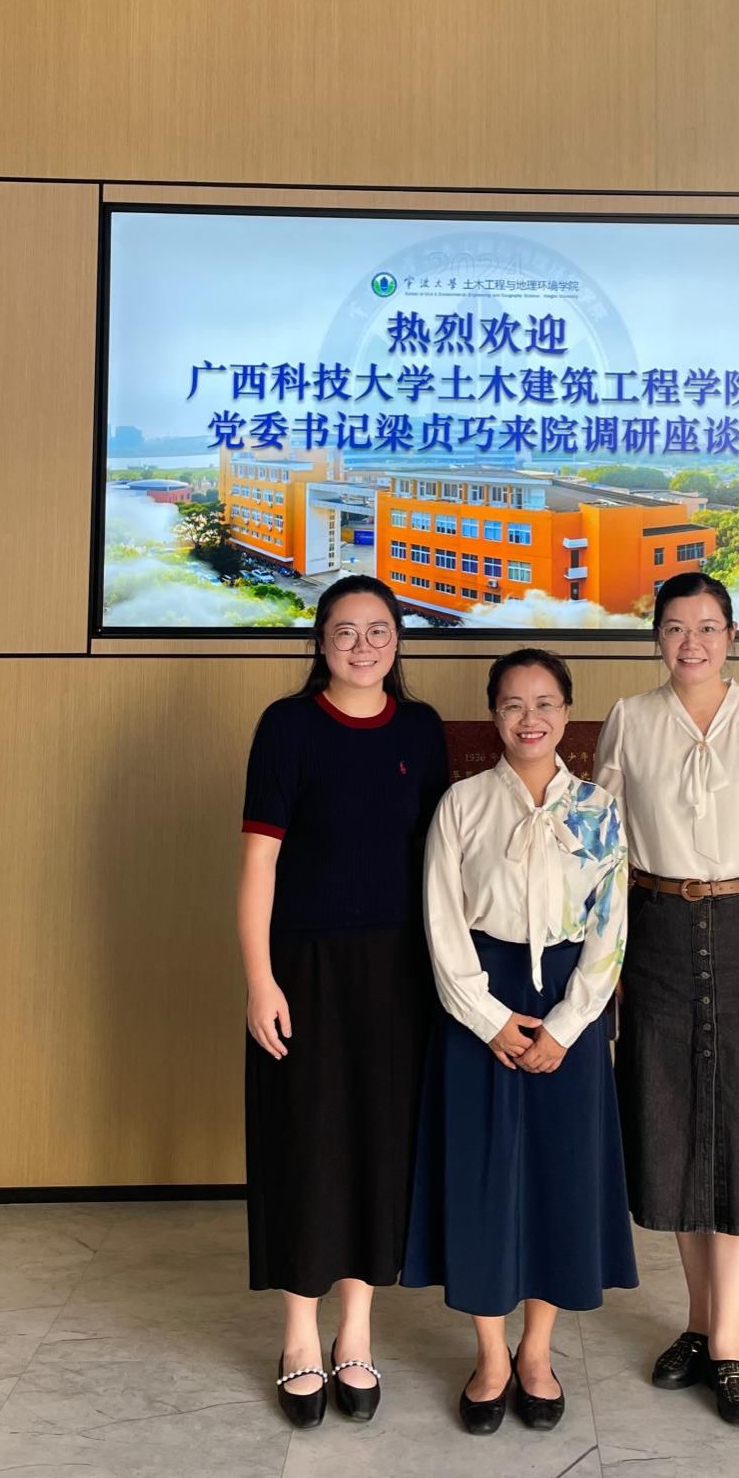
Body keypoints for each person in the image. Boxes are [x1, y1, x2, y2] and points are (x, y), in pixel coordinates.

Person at [594, 572, 739, 1430]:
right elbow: (604, 849)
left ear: (732, 635)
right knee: (675, 1127)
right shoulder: (630, 718)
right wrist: (608, 957)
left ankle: (728, 1344)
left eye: (709, 626)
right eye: (677, 627)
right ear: (656, 636)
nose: (693, 641)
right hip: (653, 927)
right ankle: (694, 1320)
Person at [402, 647, 636, 1434]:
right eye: (512, 704)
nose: (528, 718)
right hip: (481, 998)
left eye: (543, 703)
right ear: (493, 714)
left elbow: (610, 929)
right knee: (482, 1176)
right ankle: (490, 1354)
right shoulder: (462, 803)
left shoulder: (599, 809)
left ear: (566, 713)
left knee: (557, 1176)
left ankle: (536, 1351)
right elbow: (440, 919)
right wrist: (487, 1016)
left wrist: (567, 1025)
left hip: (570, 1003)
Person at [239, 575, 449, 1428]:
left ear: (398, 640)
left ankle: (356, 1327)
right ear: (320, 641)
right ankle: (299, 1332)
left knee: (378, 1143)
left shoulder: (422, 729)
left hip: (400, 969)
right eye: (346, 630)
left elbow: (441, 859)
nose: (364, 645)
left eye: (379, 630)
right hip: (304, 966)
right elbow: (259, 864)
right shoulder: (287, 726)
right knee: (306, 1140)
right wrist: (260, 977)